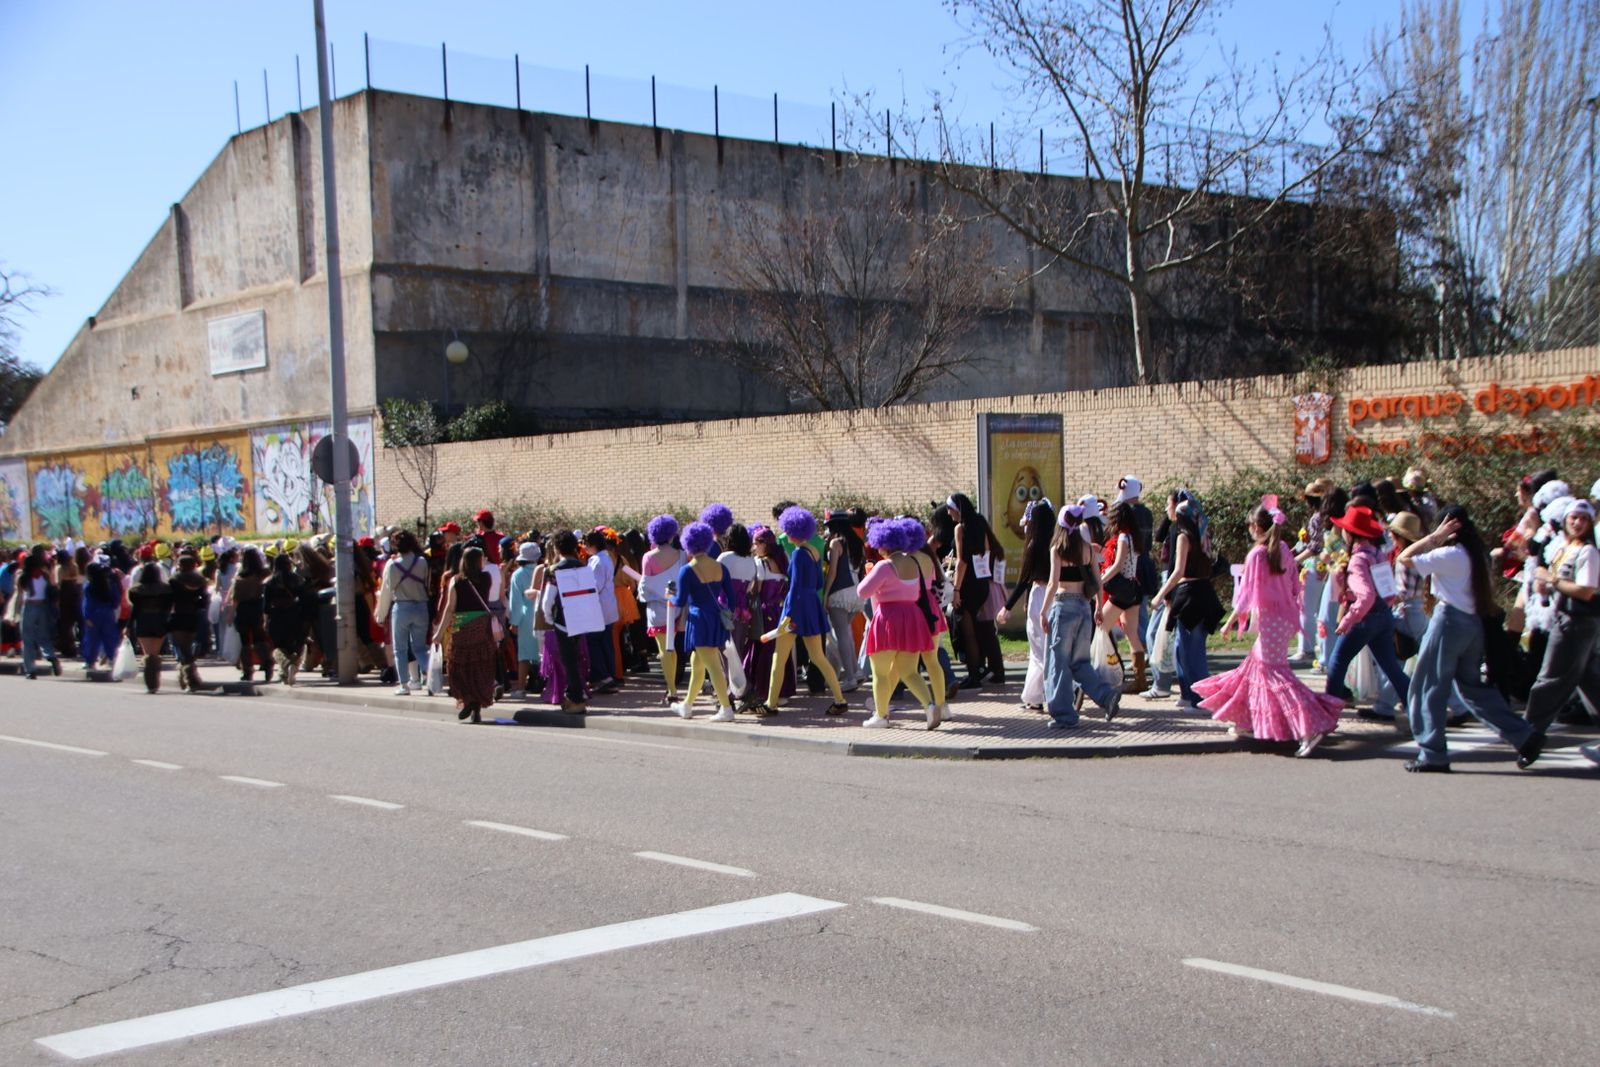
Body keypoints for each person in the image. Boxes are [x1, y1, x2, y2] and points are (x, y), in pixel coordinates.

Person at [1398, 507, 1541, 773]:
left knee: (1428, 687)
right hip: (1473, 624)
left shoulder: (1448, 554)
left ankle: (1432, 753)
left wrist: (1434, 537)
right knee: (1472, 688)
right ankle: (1523, 735)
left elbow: (1404, 558)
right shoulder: (1477, 555)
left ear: (1447, 526)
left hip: (1448, 620)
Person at [1195, 504, 1343, 756]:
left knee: (1277, 677)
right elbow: (1294, 584)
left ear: (1255, 527)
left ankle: (1310, 728)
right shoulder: (1283, 549)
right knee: (1253, 668)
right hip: (1285, 620)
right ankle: (1246, 720)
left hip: (1270, 622)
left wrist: (1231, 621)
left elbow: (1245, 595)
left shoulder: (1257, 555)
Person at [1520, 499, 1599, 764]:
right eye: (1573, 518)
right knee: (1591, 681)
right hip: (1568, 619)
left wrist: (1551, 580)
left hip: (1575, 622)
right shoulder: (1566, 547)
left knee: (1549, 680)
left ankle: (1528, 736)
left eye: (1583, 519)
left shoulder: (1587, 552)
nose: (1577, 523)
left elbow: (1586, 591)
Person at [758, 506, 848, 716]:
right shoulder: (814, 551)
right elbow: (818, 582)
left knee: (779, 658)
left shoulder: (798, 554)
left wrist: (787, 617)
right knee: (818, 657)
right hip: (811, 607)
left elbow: (795, 587)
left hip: (796, 608)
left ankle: (771, 704)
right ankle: (840, 699)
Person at [1321, 504, 1411, 711]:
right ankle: (1417, 705)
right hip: (1383, 616)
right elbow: (1388, 592)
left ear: (1351, 533)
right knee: (1390, 667)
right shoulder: (1378, 554)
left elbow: (1367, 595)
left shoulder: (1358, 560)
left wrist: (1348, 619)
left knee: (1337, 662)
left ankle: (1328, 711)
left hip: (1364, 619)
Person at [1040, 504, 1123, 727]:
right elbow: (1097, 580)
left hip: (1063, 606)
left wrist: (1043, 611)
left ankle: (1064, 715)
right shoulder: (1087, 549)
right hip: (1084, 608)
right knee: (1080, 663)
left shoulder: (1057, 549)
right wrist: (1097, 606)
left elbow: (1052, 583)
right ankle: (1106, 696)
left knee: (1059, 663)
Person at [856, 517, 939, 728]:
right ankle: (930, 706)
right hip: (912, 617)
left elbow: (863, 591)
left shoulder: (884, 566)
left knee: (881, 673)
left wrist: (870, 575)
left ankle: (881, 716)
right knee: (910, 671)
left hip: (888, 618)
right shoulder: (912, 562)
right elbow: (919, 590)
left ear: (882, 543)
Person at [1150, 491, 1224, 709]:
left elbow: (1177, 571)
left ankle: (1201, 698)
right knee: (1182, 647)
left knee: (1191, 650)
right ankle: (1187, 693)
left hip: (1190, 594)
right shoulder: (1202, 536)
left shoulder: (1184, 537)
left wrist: (1159, 595)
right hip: (1201, 592)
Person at [669, 522, 737, 722]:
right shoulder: (720, 567)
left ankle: (726, 708)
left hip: (698, 619)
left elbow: (680, 601)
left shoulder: (687, 570)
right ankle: (687, 706)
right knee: (697, 663)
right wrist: (726, 613)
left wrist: (669, 597)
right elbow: (732, 599)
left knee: (712, 665)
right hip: (715, 617)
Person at [998, 497, 1055, 711]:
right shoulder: (1057, 543)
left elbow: (1024, 579)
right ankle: (1038, 694)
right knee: (1048, 648)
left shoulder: (1034, 545)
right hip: (1056, 595)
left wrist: (1007, 606)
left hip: (1040, 595)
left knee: (1039, 649)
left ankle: (1038, 695)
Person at [946, 492, 1006, 688]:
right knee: (985, 629)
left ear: (957, 509)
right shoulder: (980, 524)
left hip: (967, 584)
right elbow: (986, 552)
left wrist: (956, 589)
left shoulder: (959, 529)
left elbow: (962, 561)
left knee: (968, 632)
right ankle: (992, 671)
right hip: (981, 582)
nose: (948, 513)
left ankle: (974, 675)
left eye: (950, 508)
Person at [434, 545, 498, 723]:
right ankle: (476, 706)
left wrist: (439, 632)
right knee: (480, 665)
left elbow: (449, 609)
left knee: (460, 666)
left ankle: (468, 700)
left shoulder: (456, 581)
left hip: (462, 626)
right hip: (481, 626)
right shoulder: (487, 578)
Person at [1100, 500, 1149, 694]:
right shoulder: (1133, 537)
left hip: (1122, 591)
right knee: (1131, 633)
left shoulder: (1122, 538)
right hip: (1133, 589)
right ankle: (1140, 680)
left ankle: (1110, 669)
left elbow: (1118, 564)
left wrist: (1101, 579)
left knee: (1100, 626)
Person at [377, 529, 431, 695]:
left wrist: (381, 614)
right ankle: (432, 675)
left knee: (399, 649)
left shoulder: (392, 565)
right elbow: (426, 584)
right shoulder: (422, 562)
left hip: (402, 607)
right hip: (421, 606)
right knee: (420, 648)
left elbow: (387, 590)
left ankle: (404, 685)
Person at [640, 515, 685, 706]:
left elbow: (644, 588)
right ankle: (672, 687)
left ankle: (672, 690)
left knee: (664, 650)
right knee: (672, 649)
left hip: (658, 610)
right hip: (678, 608)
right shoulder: (682, 555)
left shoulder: (648, 557)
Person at [823, 511, 866, 693]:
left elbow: (832, 572)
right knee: (845, 635)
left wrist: (825, 595)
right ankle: (856, 672)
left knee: (841, 635)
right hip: (856, 593)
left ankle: (849, 677)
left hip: (839, 593)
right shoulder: (858, 543)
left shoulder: (836, 543)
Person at [583, 529, 621, 694]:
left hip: (598, 608)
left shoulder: (597, 561)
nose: (584, 548)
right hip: (607, 607)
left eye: (586, 545)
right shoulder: (606, 558)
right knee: (606, 643)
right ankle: (610, 676)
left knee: (594, 643)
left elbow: (594, 587)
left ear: (592, 545)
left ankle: (604, 676)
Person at [127, 562, 173, 693]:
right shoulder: (166, 590)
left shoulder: (136, 591)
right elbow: (168, 609)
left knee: (147, 654)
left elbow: (135, 611)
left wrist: (128, 625)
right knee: (156, 654)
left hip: (143, 621)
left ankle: (150, 683)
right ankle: (155, 681)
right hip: (160, 621)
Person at [167, 550, 210, 692]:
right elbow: (205, 599)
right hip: (194, 616)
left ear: (180, 565)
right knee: (188, 647)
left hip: (178, 615)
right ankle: (186, 677)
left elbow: (169, 600)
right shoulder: (200, 580)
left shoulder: (174, 580)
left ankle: (190, 679)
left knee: (183, 650)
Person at [505, 540, 543, 699]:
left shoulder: (518, 574)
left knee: (524, 655)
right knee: (543, 652)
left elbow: (516, 601)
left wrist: (514, 622)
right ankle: (544, 684)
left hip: (526, 616)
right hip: (543, 613)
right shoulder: (544, 570)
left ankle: (520, 688)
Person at [227, 548, 271, 682]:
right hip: (258, 608)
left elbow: (235, 600)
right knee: (259, 639)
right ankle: (267, 662)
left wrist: (230, 615)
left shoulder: (240, 579)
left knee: (245, 642)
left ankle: (248, 671)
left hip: (243, 610)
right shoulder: (263, 574)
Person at [17, 551, 61, 680]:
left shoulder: (24, 577)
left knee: (28, 639)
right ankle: (51, 656)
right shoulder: (45, 575)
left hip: (29, 606)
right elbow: (54, 588)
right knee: (44, 636)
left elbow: (20, 596)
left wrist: (15, 612)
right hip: (44, 606)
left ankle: (30, 670)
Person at [80, 557, 122, 670]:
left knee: (92, 639)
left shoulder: (89, 585)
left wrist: (86, 616)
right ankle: (112, 660)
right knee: (110, 638)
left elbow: (86, 603)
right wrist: (111, 608)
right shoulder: (109, 583)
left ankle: (90, 662)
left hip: (93, 614)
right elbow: (116, 599)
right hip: (108, 613)